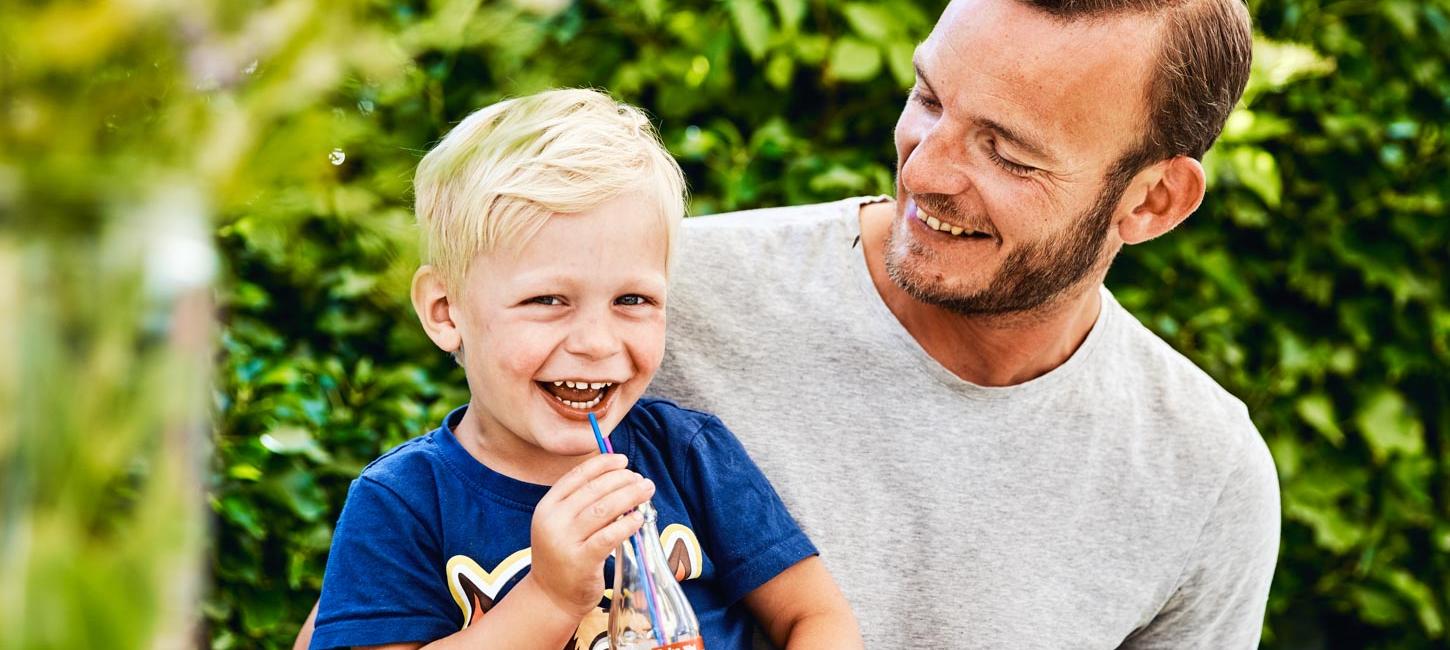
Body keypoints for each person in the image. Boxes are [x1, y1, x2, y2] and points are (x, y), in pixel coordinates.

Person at [650, 0, 1279, 648]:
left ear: (1153, 201)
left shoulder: (1205, 478)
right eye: (928, 99)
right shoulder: (653, 305)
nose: (921, 173)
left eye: (1008, 154)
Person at [307, 89, 861, 650]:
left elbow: (816, 618)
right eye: (548, 300)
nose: (597, 343)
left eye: (632, 300)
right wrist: (548, 600)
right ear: (446, 312)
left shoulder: (689, 455)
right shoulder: (402, 502)